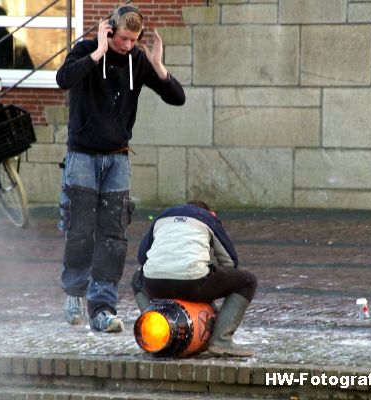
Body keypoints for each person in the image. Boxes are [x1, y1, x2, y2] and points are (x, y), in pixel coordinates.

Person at [56, 4, 185, 333]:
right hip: (82, 155)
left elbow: (177, 98)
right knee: (81, 228)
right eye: (123, 39)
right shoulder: (87, 50)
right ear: (109, 30)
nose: (128, 45)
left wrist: (158, 66)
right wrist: (98, 52)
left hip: (118, 156)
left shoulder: (138, 61)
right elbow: (63, 79)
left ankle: (102, 307)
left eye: (134, 40)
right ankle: (74, 291)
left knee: (113, 235)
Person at [131, 200, 258, 357]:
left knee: (137, 278)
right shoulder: (208, 218)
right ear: (210, 212)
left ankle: (154, 323)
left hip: (154, 284)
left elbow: (142, 258)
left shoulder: (163, 216)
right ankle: (221, 341)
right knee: (248, 281)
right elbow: (230, 262)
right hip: (194, 282)